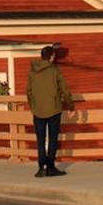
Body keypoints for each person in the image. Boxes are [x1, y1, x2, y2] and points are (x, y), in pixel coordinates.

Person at [26, 44, 75, 177]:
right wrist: (70, 106)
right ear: (51, 57)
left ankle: (41, 168)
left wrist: (33, 106)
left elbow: (28, 92)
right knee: (53, 139)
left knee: (40, 140)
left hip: (37, 111)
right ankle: (51, 167)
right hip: (54, 109)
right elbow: (64, 89)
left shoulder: (32, 71)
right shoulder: (55, 70)